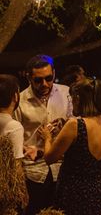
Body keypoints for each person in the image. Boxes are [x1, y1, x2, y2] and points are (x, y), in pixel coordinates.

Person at [41, 78, 101, 215]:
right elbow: (82, 154)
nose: (71, 103)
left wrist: (47, 138)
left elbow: (49, 158)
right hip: (96, 191)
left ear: (77, 98)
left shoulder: (75, 125)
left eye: (71, 99)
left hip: (74, 192)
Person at [14, 54, 73, 215]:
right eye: (38, 80)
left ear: (54, 73)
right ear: (29, 77)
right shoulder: (20, 100)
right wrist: (27, 149)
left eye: (48, 78)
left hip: (62, 169)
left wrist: (65, 124)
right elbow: (15, 138)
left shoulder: (66, 93)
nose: (45, 84)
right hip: (34, 172)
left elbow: (75, 126)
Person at [0, 74, 28, 214]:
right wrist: (22, 193)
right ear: (15, 97)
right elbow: (17, 167)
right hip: (4, 194)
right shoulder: (14, 126)